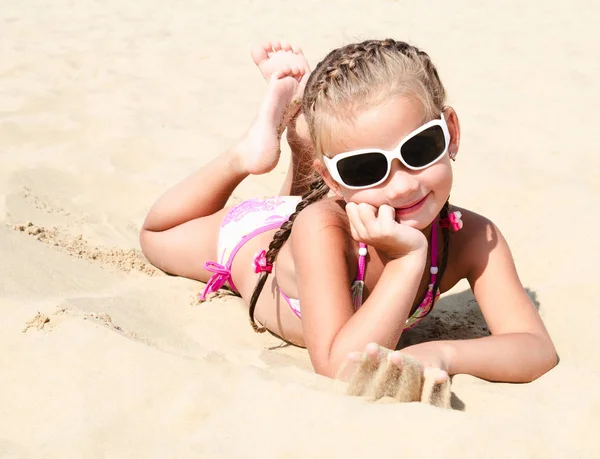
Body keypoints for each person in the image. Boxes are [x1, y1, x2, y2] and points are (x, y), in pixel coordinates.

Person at [140, 39, 557, 406]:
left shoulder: (473, 237)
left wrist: (444, 354)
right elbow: (339, 367)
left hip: (325, 206)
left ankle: (303, 137)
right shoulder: (320, 229)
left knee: (308, 201)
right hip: (255, 241)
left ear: (450, 131)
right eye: (364, 168)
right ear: (334, 182)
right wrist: (408, 260)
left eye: (419, 148)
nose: (400, 186)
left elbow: (536, 348)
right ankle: (249, 154)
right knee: (156, 237)